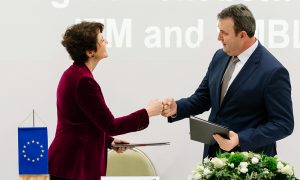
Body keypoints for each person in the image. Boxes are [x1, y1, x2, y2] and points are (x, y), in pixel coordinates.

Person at [162, 4, 294, 158]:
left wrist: (240, 139)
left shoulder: (273, 71)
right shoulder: (220, 56)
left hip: (249, 164)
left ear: (243, 35)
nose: (219, 38)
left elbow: (283, 124)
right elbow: (203, 98)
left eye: (224, 33)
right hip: (213, 157)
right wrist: (176, 108)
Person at [48, 21, 163, 180]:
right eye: (102, 40)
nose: (106, 42)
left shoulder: (74, 74)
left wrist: (108, 141)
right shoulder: (83, 81)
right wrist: (148, 112)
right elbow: (111, 125)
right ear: (90, 51)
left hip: (68, 165)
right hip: (73, 166)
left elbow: (83, 123)